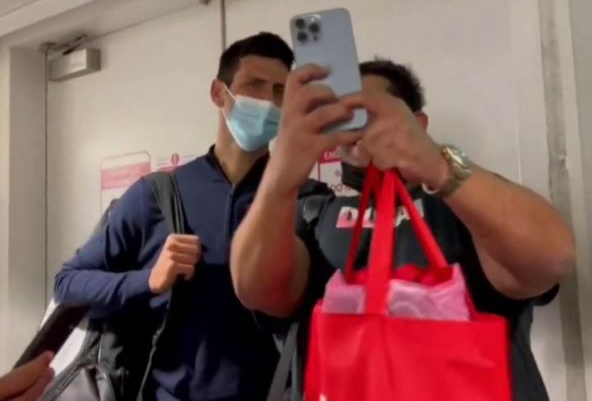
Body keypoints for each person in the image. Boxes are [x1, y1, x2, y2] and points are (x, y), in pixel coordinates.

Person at [230, 59, 576, 400]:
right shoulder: (313, 213)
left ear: (418, 123)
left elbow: (551, 257)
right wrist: (280, 176)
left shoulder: (467, 204)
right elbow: (257, 290)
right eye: (343, 117)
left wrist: (438, 165)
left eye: (369, 114)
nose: (357, 130)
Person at [53, 32, 329, 401]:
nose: (267, 100)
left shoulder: (307, 201)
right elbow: (67, 284)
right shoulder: (158, 195)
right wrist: (147, 281)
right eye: (254, 85)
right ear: (218, 93)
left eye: (280, 91)